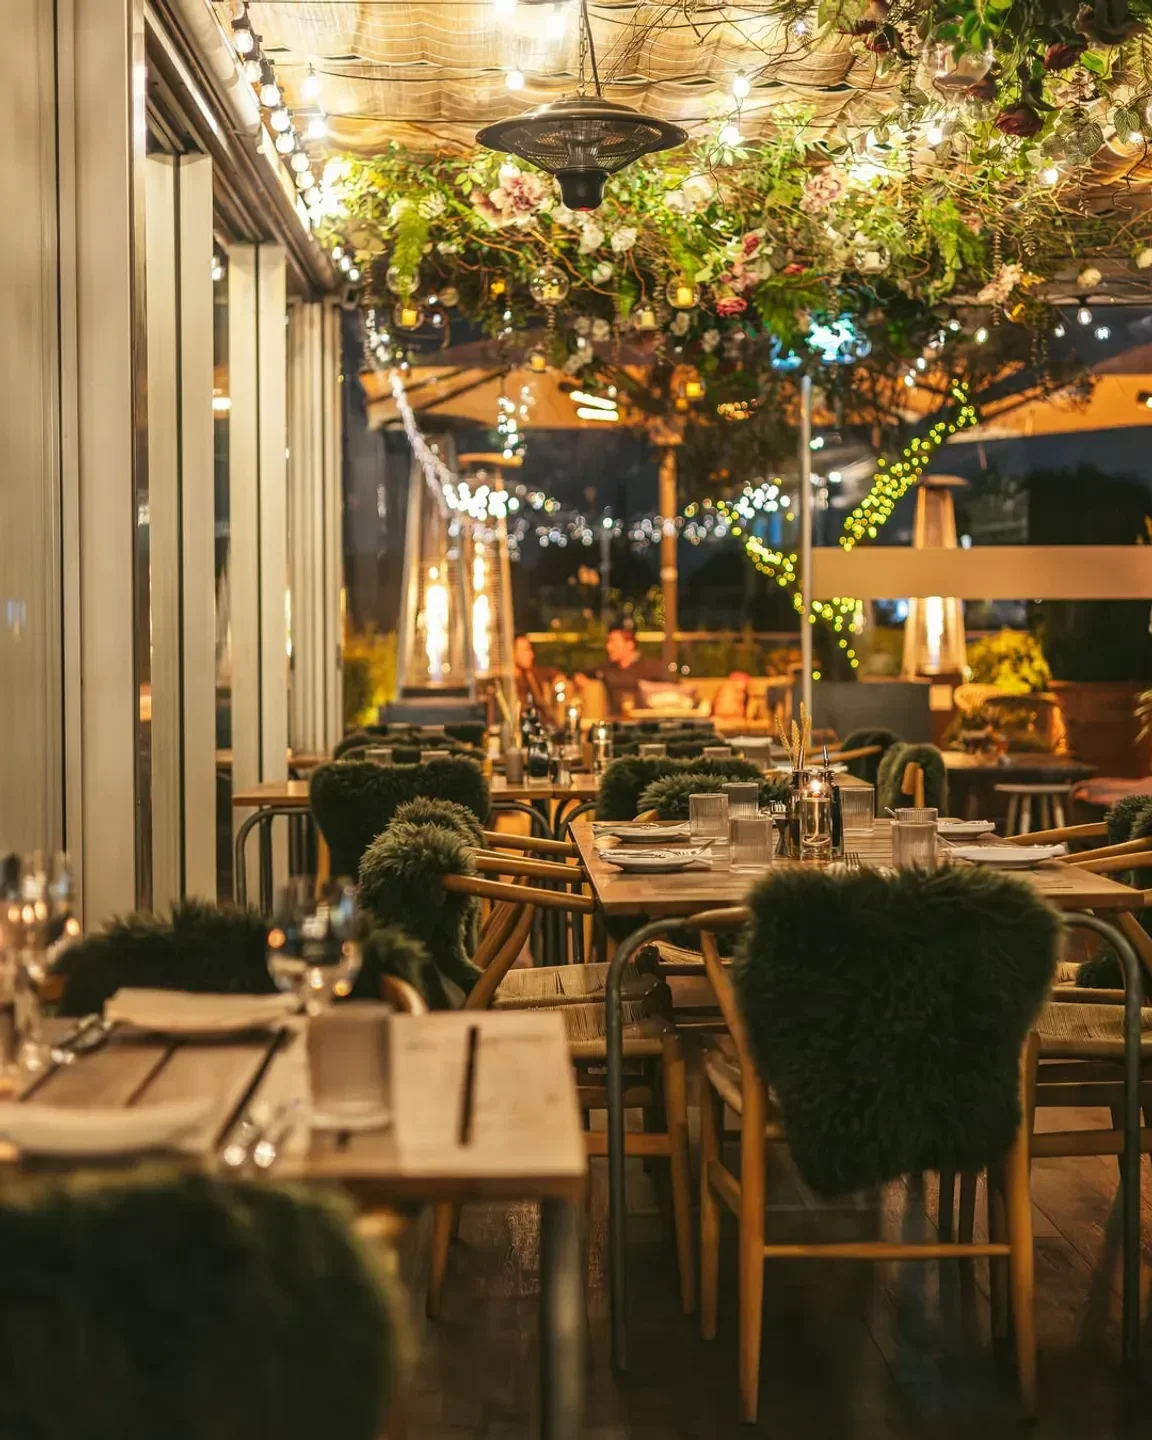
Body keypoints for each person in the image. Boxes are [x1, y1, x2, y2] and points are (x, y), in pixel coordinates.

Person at [577, 625, 665, 717]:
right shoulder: (607, 668)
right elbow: (580, 674)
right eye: (608, 642)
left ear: (629, 645)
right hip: (614, 720)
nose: (608, 647)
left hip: (643, 719)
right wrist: (586, 683)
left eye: (613, 642)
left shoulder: (649, 667)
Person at [513, 633, 561, 709]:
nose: (531, 655)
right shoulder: (506, 685)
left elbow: (549, 672)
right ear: (512, 653)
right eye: (526, 650)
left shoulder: (530, 675)